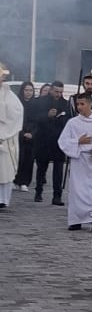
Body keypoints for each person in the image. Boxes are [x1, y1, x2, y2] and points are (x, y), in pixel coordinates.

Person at [57, 91, 92, 229]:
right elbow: (63, 141)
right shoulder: (72, 123)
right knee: (77, 190)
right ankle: (76, 220)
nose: (79, 107)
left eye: (82, 104)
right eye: (78, 104)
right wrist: (78, 141)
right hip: (79, 160)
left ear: (90, 104)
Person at [33, 82, 69, 204]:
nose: (58, 94)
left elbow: (68, 120)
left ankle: (57, 196)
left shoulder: (65, 103)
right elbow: (35, 118)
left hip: (58, 141)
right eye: (56, 91)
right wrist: (47, 115)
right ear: (51, 90)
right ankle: (38, 192)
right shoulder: (41, 101)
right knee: (41, 168)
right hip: (43, 140)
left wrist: (61, 118)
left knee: (58, 170)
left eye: (61, 92)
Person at [0, 69, 24, 212]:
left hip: (6, 137)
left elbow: (17, 113)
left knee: (6, 170)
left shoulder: (9, 95)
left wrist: (3, 133)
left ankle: (3, 199)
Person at [14, 81, 39, 189]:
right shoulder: (17, 103)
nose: (28, 92)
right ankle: (15, 180)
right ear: (22, 91)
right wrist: (23, 133)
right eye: (26, 90)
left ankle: (25, 182)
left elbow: (37, 122)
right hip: (18, 134)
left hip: (32, 136)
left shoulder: (36, 104)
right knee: (18, 158)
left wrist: (32, 133)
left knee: (29, 159)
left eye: (31, 90)